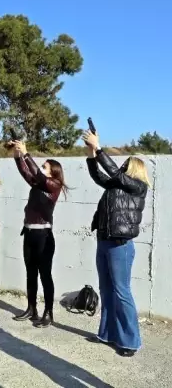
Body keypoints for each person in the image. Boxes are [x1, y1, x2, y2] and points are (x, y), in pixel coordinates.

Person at [83, 128, 149, 357]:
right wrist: (92, 153)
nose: (120, 167)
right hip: (104, 241)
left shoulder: (137, 186)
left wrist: (99, 148)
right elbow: (99, 176)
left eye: (124, 166)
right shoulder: (117, 185)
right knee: (106, 289)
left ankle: (131, 341)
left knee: (122, 292)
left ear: (133, 169)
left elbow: (115, 174)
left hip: (120, 245)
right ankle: (107, 334)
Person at [11, 140, 68, 328]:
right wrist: (18, 154)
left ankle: (48, 313)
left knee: (45, 275)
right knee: (30, 274)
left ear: (53, 172)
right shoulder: (38, 184)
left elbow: (37, 174)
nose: (41, 169)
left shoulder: (54, 186)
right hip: (29, 234)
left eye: (45, 167)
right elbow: (26, 172)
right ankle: (31, 308)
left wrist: (27, 154)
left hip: (44, 236)